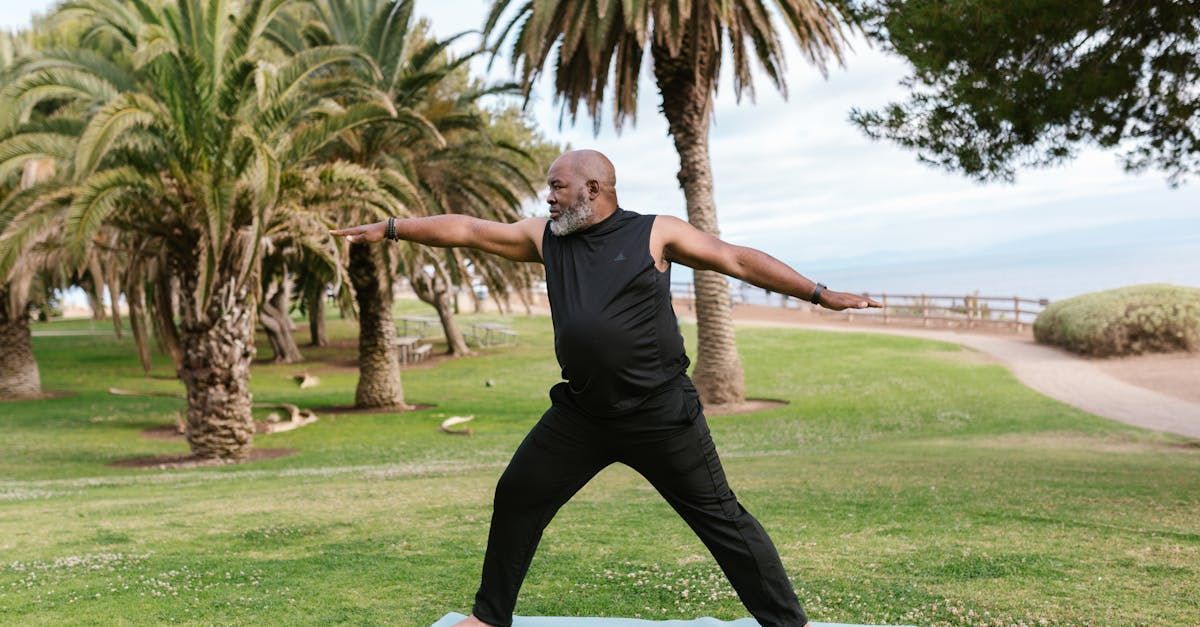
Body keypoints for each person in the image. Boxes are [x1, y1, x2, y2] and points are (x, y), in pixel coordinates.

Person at [331, 149, 882, 626]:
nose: (547, 197)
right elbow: (471, 231)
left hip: (660, 413)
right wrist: (392, 227)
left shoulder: (655, 231)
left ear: (593, 189)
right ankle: (490, 615)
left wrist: (819, 293)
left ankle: (788, 624)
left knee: (722, 520)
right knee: (518, 494)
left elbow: (734, 257)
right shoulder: (546, 237)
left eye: (556, 186)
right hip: (583, 415)